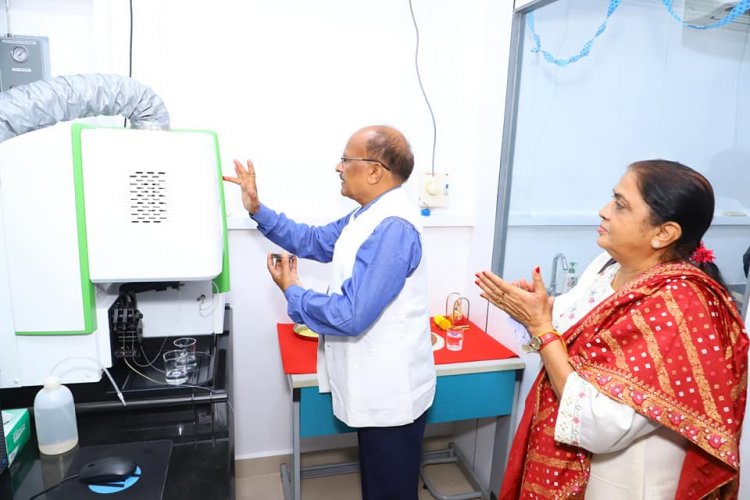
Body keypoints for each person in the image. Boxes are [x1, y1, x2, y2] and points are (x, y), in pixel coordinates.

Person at [475, 160, 748, 499]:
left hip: (620, 478)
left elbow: (597, 422)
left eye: (620, 205)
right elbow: (571, 330)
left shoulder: (677, 305)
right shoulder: (609, 268)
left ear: (664, 233)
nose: (604, 211)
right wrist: (538, 309)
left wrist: (540, 325)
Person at [223, 125, 436, 500]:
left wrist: (294, 293)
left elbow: (351, 313)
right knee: (379, 486)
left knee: (390, 492)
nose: (338, 167)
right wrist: (257, 209)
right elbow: (314, 240)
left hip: (390, 394)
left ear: (374, 170)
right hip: (374, 389)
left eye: (346, 159)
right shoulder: (366, 217)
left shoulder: (393, 228)